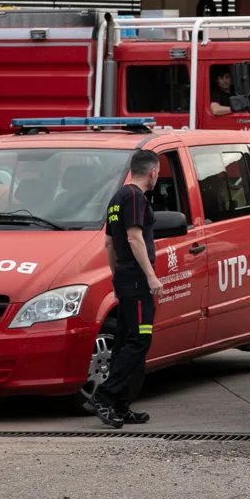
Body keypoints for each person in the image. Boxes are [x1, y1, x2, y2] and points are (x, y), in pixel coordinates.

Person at [89, 149, 163, 429]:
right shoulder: (135, 197)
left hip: (124, 277)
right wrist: (150, 276)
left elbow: (109, 243)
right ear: (152, 172)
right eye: (158, 173)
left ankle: (120, 406)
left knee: (123, 341)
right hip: (136, 280)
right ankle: (106, 397)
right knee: (140, 340)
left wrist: (116, 273)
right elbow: (134, 238)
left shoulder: (117, 197)